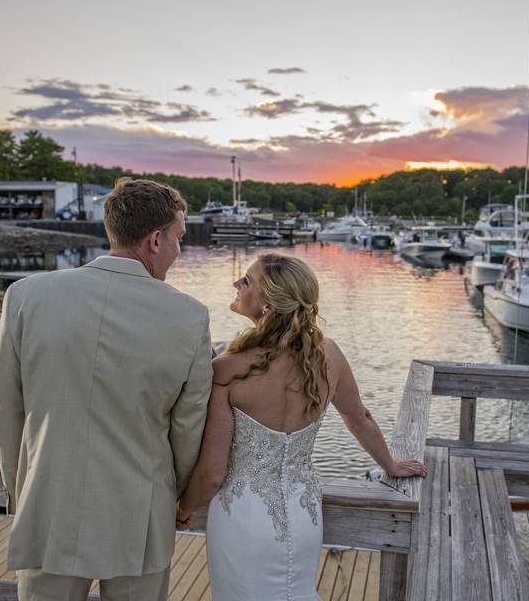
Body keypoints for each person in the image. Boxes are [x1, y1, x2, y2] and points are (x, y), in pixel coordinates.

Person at [0, 178, 213, 600]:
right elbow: (188, 429)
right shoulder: (189, 317)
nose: (178, 251)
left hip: (48, 503)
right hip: (141, 512)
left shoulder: (25, 296)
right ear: (154, 240)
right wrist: (179, 498)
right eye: (178, 239)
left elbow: (8, 410)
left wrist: (22, 490)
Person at [177, 252, 427, 601]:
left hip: (243, 520)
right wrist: (390, 465)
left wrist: (184, 507)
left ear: (267, 304)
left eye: (246, 280)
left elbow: (213, 474)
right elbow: (359, 417)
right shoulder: (330, 356)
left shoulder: (228, 370)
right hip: (303, 513)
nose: (237, 283)